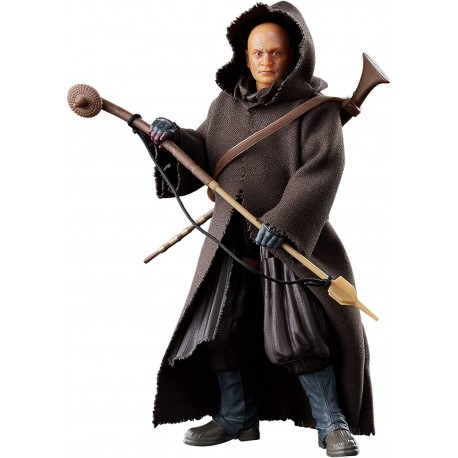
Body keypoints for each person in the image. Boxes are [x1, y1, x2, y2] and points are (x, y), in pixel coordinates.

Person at [149, 2, 374, 456]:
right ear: (244, 56)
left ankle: (330, 423)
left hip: (286, 244)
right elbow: (204, 152)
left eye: (276, 52)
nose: (266, 61)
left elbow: (322, 171)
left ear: (295, 55)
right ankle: (236, 416)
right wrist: (173, 139)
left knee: (300, 333)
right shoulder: (225, 105)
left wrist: (285, 222)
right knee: (222, 328)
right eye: (257, 53)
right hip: (230, 242)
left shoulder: (316, 112)